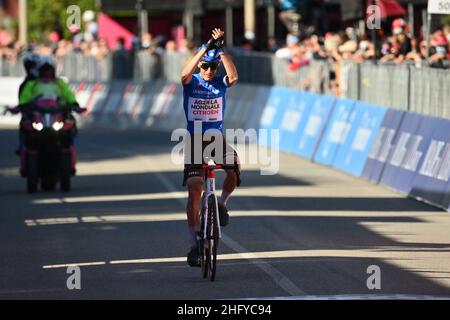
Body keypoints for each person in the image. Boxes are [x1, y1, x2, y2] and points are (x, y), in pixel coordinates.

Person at [181, 28, 240, 267]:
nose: (208, 71)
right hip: (194, 139)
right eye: (205, 67)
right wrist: (204, 49)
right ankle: (195, 243)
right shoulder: (191, 81)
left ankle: (223, 204)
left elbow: (233, 77)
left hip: (215, 138)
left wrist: (221, 52)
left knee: (234, 167)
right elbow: (185, 72)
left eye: (212, 68)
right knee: (195, 188)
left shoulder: (220, 83)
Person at [17, 56, 84, 174]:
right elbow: (24, 98)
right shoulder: (32, 84)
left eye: (49, 71)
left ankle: (70, 158)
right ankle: (23, 152)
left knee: (70, 126)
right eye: (44, 71)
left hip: (56, 115)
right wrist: (22, 106)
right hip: (39, 116)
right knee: (25, 125)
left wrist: (74, 104)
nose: (47, 74)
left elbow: (69, 95)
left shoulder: (60, 83)